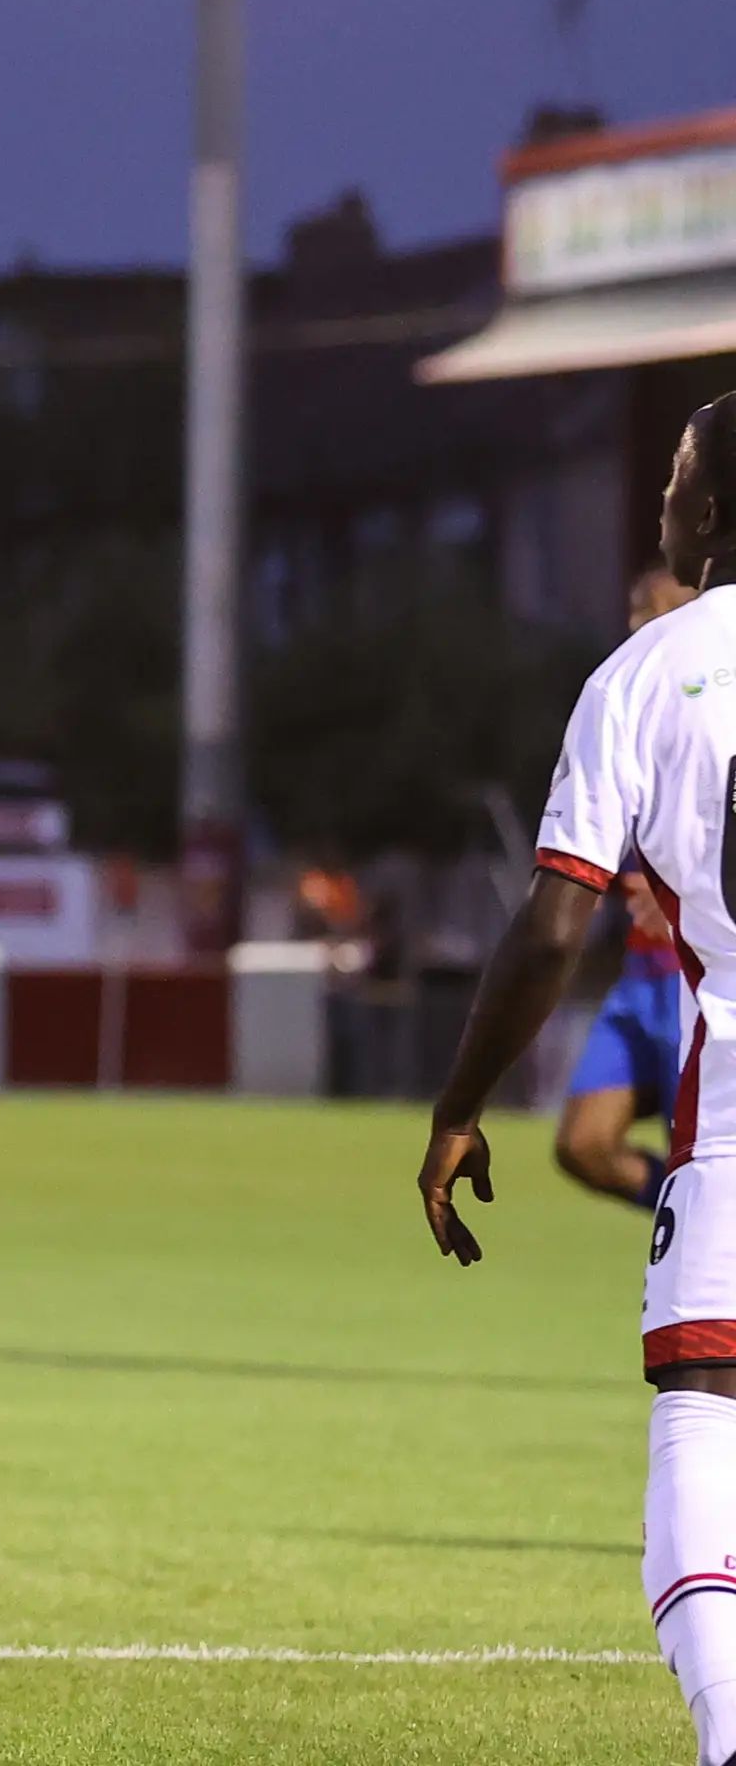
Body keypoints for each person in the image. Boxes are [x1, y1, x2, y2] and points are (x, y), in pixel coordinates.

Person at [420, 400, 736, 1766]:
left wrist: (457, 1105)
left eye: (674, 476)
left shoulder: (646, 676)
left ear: (710, 516)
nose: (657, 497)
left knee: (703, 1419)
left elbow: (555, 922)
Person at [557, 564, 698, 1211]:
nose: (641, 626)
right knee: (583, 1145)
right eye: (635, 615)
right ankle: (684, 1224)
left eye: (657, 610)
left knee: (700, 1160)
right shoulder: (630, 710)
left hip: (694, 981)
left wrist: (684, 901)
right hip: (638, 980)